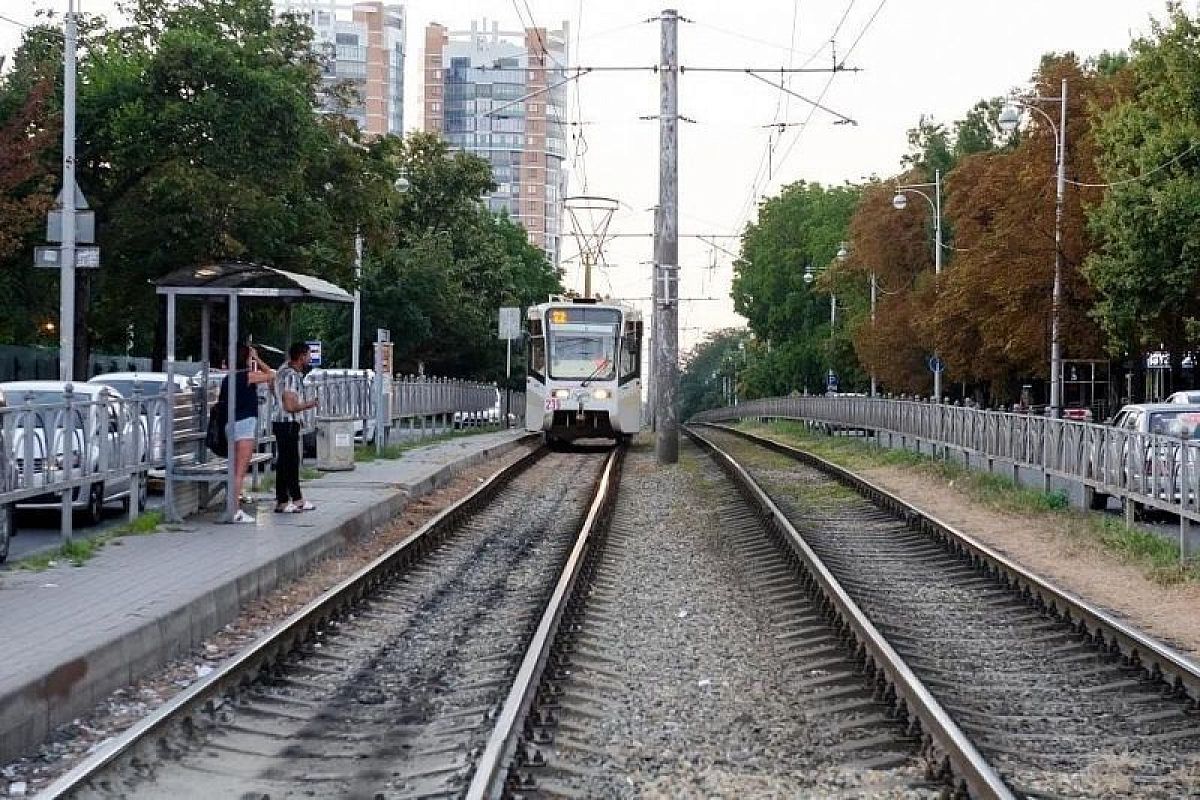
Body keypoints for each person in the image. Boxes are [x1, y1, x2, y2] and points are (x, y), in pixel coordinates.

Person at [219, 344, 274, 523]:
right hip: (245, 426)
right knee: (240, 472)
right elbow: (272, 375)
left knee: (234, 468)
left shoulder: (228, 379)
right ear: (246, 359)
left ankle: (233, 507)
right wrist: (257, 359)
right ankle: (234, 510)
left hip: (230, 425)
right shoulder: (247, 377)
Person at [273, 342, 319, 513]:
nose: (309, 359)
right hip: (287, 422)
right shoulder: (291, 376)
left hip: (281, 422)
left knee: (285, 462)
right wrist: (310, 404)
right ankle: (290, 500)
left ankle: (287, 499)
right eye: (308, 355)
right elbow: (290, 406)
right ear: (301, 357)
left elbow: (272, 384)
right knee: (289, 462)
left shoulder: (283, 370)